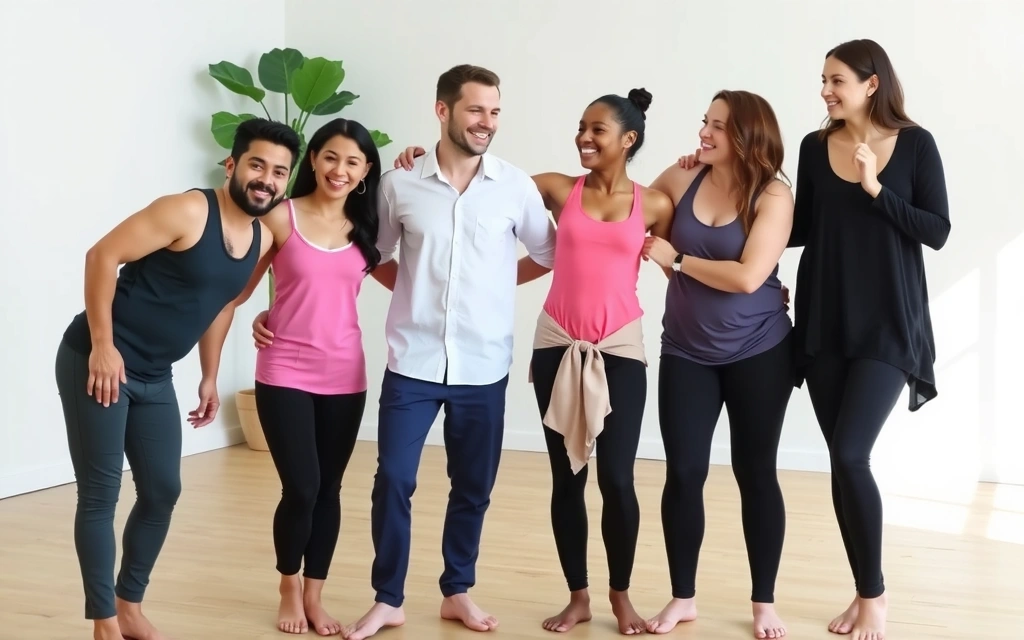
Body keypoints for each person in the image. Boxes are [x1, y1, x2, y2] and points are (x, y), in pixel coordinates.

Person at [396, 87, 675, 634]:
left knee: (617, 479)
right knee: (566, 480)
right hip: (554, 348)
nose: (583, 137)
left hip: (619, 351)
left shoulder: (656, 204)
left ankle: (621, 596)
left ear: (628, 139)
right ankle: (579, 597)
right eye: (581, 127)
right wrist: (418, 159)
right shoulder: (552, 188)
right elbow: (478, 174)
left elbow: (676, 266)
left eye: (597, 129)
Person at [54, 118, 300, 640]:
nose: (267, 179)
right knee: (100, 492)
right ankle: (103, 621)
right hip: (99, 361)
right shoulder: (188, 210)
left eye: (279, 172)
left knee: (163, 490)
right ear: (232, 165)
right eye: (257, 165)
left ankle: (129, 603)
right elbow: (103, 255)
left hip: (154, 375)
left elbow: (221, 307)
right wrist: (102, 345)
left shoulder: (259, 237)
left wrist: (210, 376)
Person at [340, 64, 558, 640]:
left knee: (474, 487)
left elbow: (550, 251)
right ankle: (388, 599)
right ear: (443, 111)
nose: (487, 122)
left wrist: (493, 287)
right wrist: (412, 290)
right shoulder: (399, 183)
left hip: (484, 365)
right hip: (411, 362)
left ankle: (456, 590)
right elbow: (375, 253)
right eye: (475, 110)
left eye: (494, 111)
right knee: (394, 480)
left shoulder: (515, 186)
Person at [642, 90, 796, 639]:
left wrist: (679, 262)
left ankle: (764, 603)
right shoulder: (681, 178)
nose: (704, 133)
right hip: (685, 350)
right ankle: (683, 597)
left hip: (760, 350)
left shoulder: (774, 194)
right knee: (684, 473)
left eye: (719, 127)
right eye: (704, 122)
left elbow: (750, 276)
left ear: (748, 137)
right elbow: (628, 212)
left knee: (756, 474)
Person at [235, 118, 382, 636]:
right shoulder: (279, 217)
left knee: (330, 489)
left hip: (346, 373)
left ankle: (316, 595)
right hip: (284, 369)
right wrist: (256, 315)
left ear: (366, 172)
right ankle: (288, 585)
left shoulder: (368, 231)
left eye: (353, 162)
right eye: (330, 157)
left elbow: (415, 282)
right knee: (301, 487)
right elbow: (236, 290)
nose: (339, 170)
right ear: (313, 159)